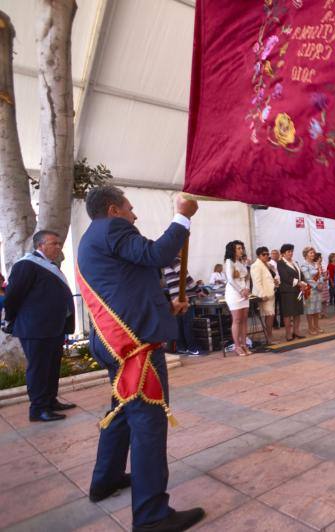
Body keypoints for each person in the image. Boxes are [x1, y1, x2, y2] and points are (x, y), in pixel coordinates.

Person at [76, 186, 204, 531]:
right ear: (113, 209)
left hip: (115, 341)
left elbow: (129, 286)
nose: (135, 215)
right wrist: (182, 216)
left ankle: (107, 479)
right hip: (135, 347)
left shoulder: (94, 237)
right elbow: (158, 255)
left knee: (122, 411)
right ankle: (151, 516)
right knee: (148, 422)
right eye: (130, 209)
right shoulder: (113, 228)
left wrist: (166, 307)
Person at [3, 230, 75, 423]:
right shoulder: (26, 264)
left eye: (59, 243)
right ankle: (38, 409)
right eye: (54, 244)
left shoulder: (49, 265)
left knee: (52, 367)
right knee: (39, 369)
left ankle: (50, 401)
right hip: (35, 328)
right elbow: (13, 296)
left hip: (53, 327)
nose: (58, 247)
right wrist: (9, 318)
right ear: (40, 245)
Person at [162, 254, 206, 355]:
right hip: (183, 296)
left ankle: (181, 347)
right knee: (187, 323)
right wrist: (198, 290)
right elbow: (185, 277)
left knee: (180, 324)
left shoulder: (167, 260)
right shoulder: (175, 260)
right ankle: (192, 348)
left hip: (175, 296)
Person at [224, 240, 251, 356]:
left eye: (242, 248)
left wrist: (247, 289)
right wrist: (241, 290)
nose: (241, 250)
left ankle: (244, 344)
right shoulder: (229, 262)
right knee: (237, 319)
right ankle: (237, 346)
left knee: (244, 320)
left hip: (244, 292)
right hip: (234, 293)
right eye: (239, 248)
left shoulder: (242, 262)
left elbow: (247, 277)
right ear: (233, 250)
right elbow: (230, 280)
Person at [277, 244, 307, 341]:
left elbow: (301, 274)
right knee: (288, 313)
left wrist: (303, 283)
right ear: (283, 253)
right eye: (288, 251)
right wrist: (298, 283)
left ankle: (296, 331)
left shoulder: (295, 262)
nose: (291, 253)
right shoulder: (281, 263)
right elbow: (285, 277)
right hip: (287, 292)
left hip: (297, 291)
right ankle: (288, 333)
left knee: (297, 312)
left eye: (291, 251)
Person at [251, 246, 277, 345]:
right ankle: (268, 338)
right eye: (264, 254)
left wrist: (274, 282)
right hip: (264, 295)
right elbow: (257, 282)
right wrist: (262, 294)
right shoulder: (256, 265)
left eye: (267, 254)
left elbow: (268, 278)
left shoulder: (266, 265)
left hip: (270, 293)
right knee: (269, 315)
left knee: (270, 315)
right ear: (258, 255)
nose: (266, 256)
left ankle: (269, 336)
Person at [300, 247, 324, 335]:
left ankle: (317, 326)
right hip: (309, 290)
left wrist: (321, 283)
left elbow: (320, 274)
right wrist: (317, 285)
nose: (313, 254)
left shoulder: (316, 264)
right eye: (311, 253)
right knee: (310, 310)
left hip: (318, 290)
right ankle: (310, 328)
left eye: (313, 253)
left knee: (317, 309)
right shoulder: (304, 265)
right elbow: (307, 278)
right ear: (306, 255)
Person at [268, 249, 282, 327]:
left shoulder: (280, 263)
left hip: (281, 285)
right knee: (274, 306)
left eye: (276, 253)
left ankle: (283, 322)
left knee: (282, 305)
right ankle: (274, 323)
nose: (274, 255)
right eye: (272, 254)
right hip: (274, 286)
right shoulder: (269, 264)